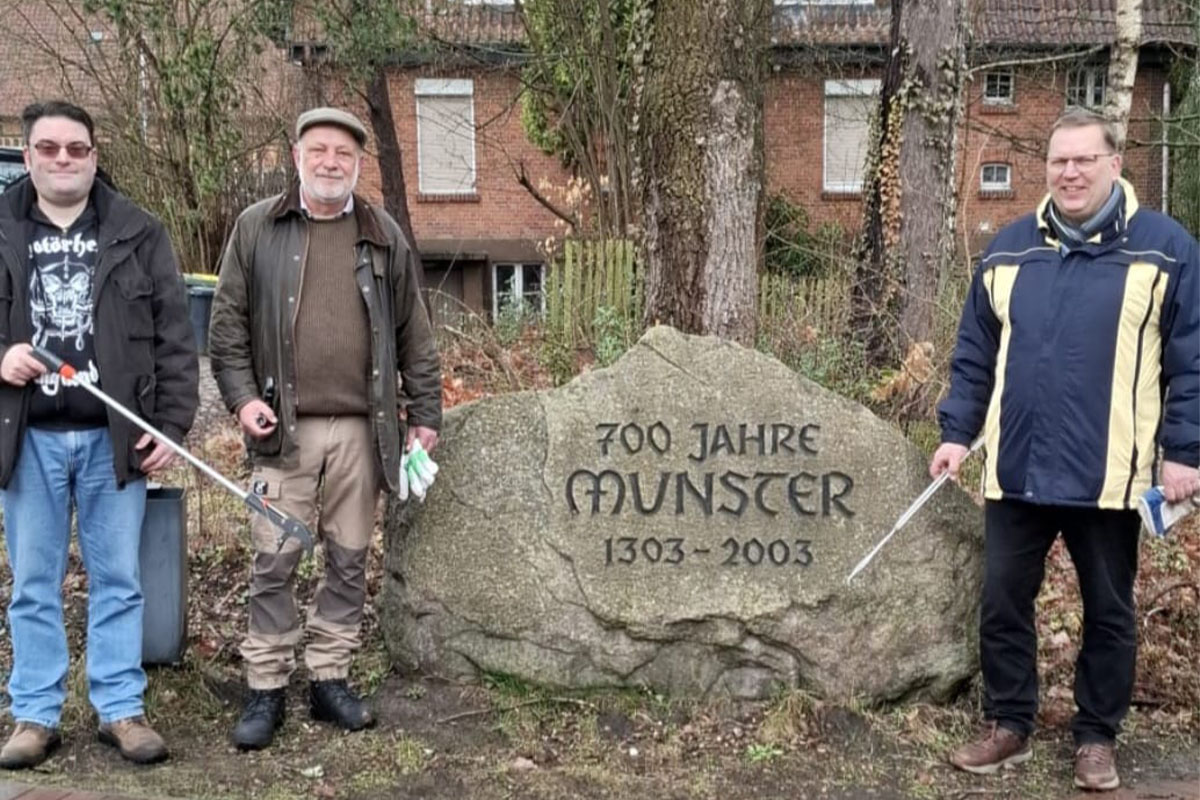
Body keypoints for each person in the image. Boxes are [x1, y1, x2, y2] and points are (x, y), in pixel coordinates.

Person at [932, 108, 1199, 791]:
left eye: (1084, 160)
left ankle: (1096, 738)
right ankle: (1009, 725)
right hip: (1017, 467)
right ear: (1045, 168)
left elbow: (1191, 361)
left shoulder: (1166, 249)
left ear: (1115, 163)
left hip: (1109, 475)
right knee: (1001, 603)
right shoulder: (1009, 248)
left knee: (1108, 612)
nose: (1071, 173)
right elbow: (974, 354)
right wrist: (957, 433)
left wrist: (1185, 453)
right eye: (1059, 161)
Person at [209, 107, 442, 751]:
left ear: (359, 164)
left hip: (363, 432)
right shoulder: (258, 228)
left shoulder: (382, 233)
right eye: (319, 150)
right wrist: (241, 400)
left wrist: (425, 413)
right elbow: (227, 328)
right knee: (275, 556)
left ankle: (329, 677)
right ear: (297, 156)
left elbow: (414, 336)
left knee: (347, 559)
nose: (331, 162)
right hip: (283, 430)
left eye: (343, 153)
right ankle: (266, 685)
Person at [0, 101, 199, 768]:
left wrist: (171, 425)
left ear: (93, 155)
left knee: (119, 579)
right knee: (34, 580)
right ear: (26, 156)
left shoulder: (138, 231)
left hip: (116, 440)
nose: (63, 159)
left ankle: (120, 707)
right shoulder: (0, 228)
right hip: (27, 439)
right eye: (48, 148)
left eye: (75, 149)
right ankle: (35, 714)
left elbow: (176, 339)